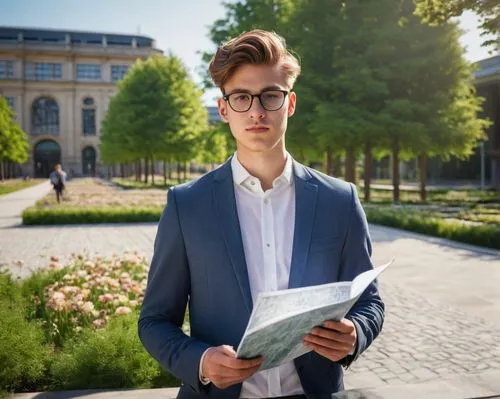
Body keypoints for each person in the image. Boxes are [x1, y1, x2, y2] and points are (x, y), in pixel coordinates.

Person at [139, 29, 384, 399]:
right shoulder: (186, 205)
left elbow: (370, 302)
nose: (256, 111)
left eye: (270, 95)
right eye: (241, 97)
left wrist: (355, 333)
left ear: (290, 103)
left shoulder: (340, 200)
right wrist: (201, 361)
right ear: (223, 109)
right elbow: (154, 321)